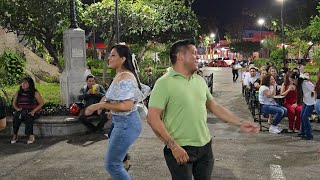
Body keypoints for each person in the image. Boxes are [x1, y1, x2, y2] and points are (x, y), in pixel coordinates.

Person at [147, 39, 259, 180]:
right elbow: (152, 118)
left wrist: (240, 122)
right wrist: (173, 146)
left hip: (205, 147)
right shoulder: (164, 83)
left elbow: (214, 106)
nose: (197, 56)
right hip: (180, 148)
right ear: (180, 56)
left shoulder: (199, 80)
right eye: (194, 53)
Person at [84, 45, 143, 179]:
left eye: (112, 55)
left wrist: (99, 105)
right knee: (116, 162)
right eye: (109, 55)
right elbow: (118, 99)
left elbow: (127, 105)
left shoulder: (126, 76)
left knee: (112, 164)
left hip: (126, 124)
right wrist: (108, 107)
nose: (109, 58)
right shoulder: (120, 75)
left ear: (122, 59)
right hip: (121, 122)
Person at [11, 77, 45, 144]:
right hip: (22, 111)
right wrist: (17, 109)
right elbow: (14, 104)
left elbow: (42, 103)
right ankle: (15, 135)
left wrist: (33, 111)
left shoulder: (35, 93)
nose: (22, 84)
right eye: (22, 82)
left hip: (33, 112)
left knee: (28, 116)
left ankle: (31, 135)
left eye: (25, 83)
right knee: (16, 117)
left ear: (30, 84)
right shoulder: (19, 93)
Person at [297, 73, 315, 140]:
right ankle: (303, 132)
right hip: (306, 101)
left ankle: (309, 134)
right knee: (302, 115)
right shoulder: (301, 83)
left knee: (305, 116)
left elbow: (314, 89)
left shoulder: (306, 83)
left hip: (311, 102)